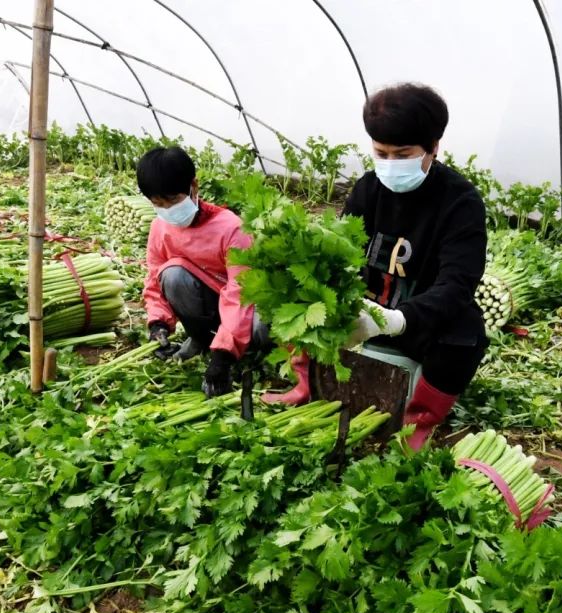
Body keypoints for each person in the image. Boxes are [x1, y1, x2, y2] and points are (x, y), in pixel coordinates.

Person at [270, 83, 489, 449]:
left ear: (433, 147)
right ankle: (306, 384)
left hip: (416, 322)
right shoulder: (368, 190)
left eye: (402, 154)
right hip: (362, 313)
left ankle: (418, 423)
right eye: (380, 153)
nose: (389, 165)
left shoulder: (460, 202)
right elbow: (340, 259)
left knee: (465, 335)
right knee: (298, 294)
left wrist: (397, 319)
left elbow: (457, 284)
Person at [137, 146, 258, 398]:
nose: (167, 210)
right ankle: (200, 339)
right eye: (158, 204)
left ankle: (234, 349)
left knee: (261, 328)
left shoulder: (232, 229)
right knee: (171, 274)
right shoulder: (160, 228)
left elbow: (241, 293)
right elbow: (154, 278)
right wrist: (158, 323)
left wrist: (223, 357)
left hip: (242, 308)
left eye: (172, 200)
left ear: (194, 186)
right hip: (205, 307)